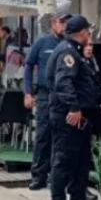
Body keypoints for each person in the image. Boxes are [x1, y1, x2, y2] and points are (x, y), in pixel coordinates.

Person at [46, 16, 101, 200]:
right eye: (88, 32)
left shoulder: (76, 51)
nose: (89, 35)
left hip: (83, 116)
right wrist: (73, 107)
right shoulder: (67, 52)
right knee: (64, 160)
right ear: (82, 32)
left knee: (81, 161)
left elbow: (85, 83)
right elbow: (64, 83)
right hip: (69, 116)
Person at [23, 13, 70, 190]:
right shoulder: (42, 43)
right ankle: (38, 176)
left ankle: (57, 177)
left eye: (67, 22)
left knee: (63, 138)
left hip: (65, 96)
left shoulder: (70, 45)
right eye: (62, 22)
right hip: (44, 94)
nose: (64, 26)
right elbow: (28, 67)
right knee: (43, 135)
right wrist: (27, 93)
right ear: (53, 24)